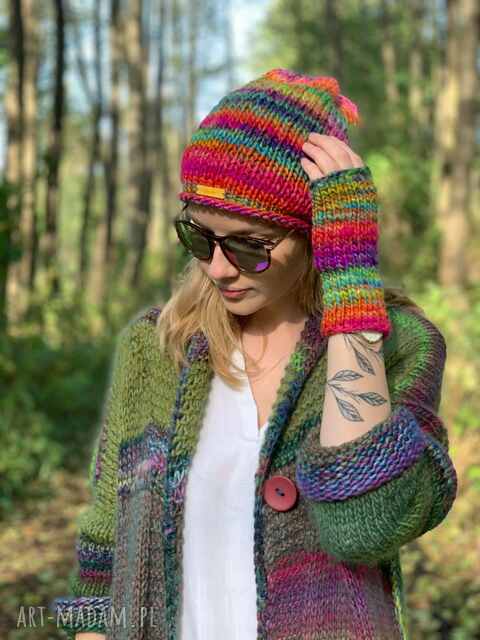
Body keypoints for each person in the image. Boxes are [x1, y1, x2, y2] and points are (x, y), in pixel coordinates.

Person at [51, 68, 458, 640]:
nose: (218, 268)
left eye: (249, 246)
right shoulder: (157, 347)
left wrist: (352, 291)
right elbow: (106, 543)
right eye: (199, 237)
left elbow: (366, 527)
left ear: (317, 234)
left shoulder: (398, 345)